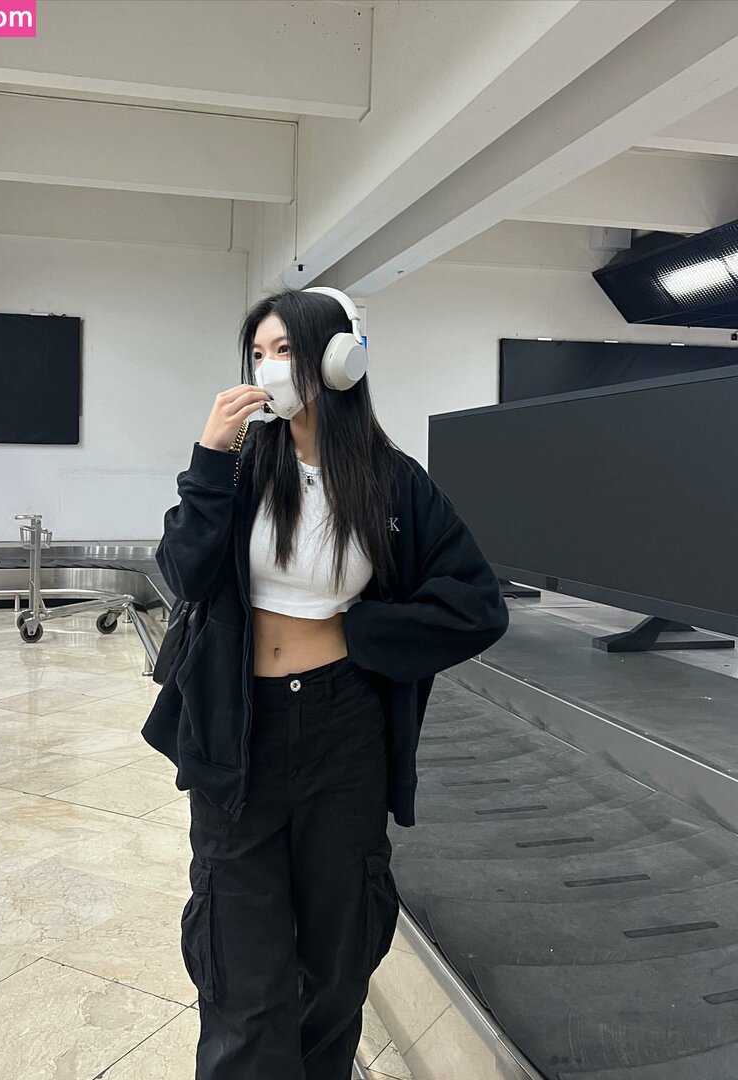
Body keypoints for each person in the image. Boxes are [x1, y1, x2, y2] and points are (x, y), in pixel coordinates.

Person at [142, 286, 510, 1079]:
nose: (268, 368)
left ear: (338, 361)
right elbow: (183, 574)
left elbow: (477, 606)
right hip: (238, 731)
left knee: (337, 966)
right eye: (258, 353)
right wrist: (209, 459)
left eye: (285, 350)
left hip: (344, 732)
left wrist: (355, 632)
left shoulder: (393, 482)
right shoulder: (242, 467)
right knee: (242, 971)